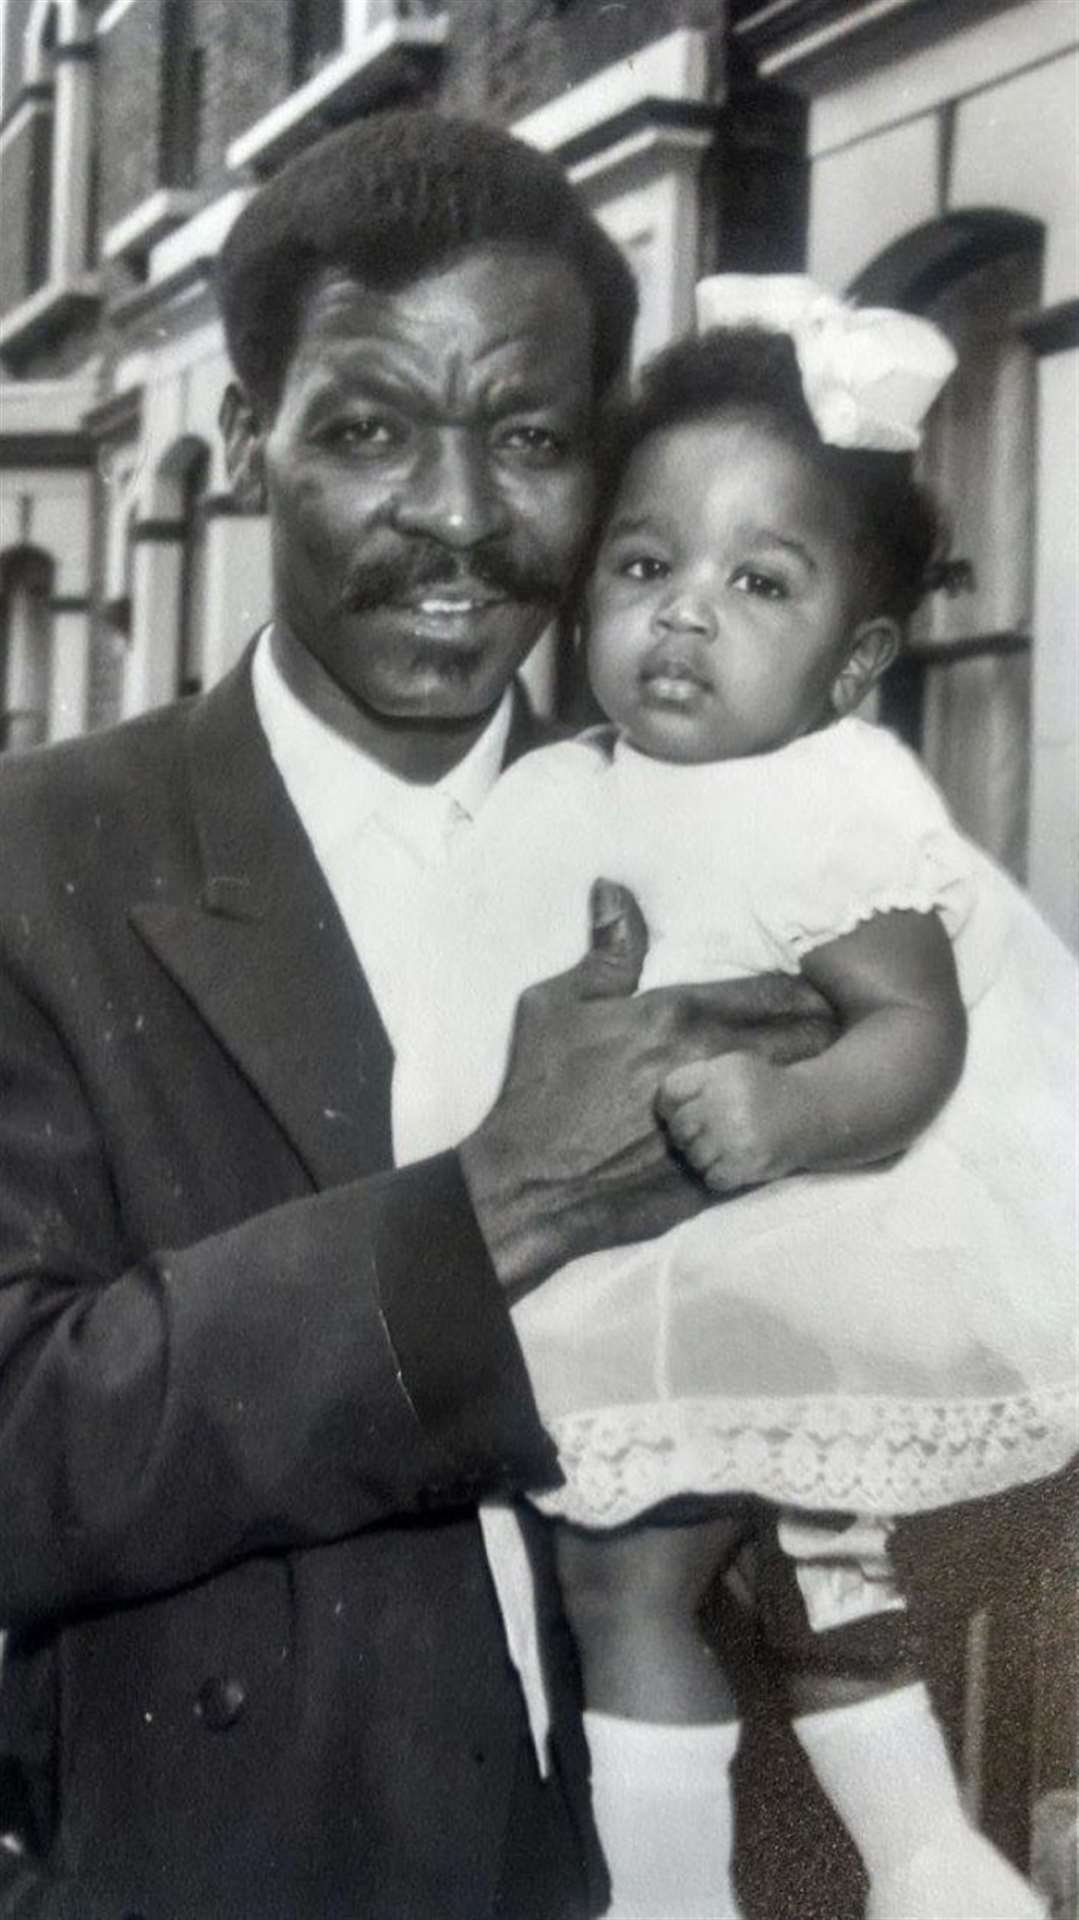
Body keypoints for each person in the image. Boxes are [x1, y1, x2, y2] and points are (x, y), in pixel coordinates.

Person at [0, 118, 837, 1919]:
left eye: (530, 440)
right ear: (244, 442)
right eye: (371, 431)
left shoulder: (721, 852)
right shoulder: (38, 860)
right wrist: (492, 1213)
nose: (459, 517)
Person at [392, 278, 1077, 1918]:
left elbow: (912, 1032)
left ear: (855, 668)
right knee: (634, 1572)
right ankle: (694, 1887)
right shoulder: (559, 797)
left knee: (817, 1560)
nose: (683, 614)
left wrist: (791, 1118)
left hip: (806, 1234)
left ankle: (921, 1860)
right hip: (608, 1263)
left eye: (755, 584)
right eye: (645, 568)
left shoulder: (835, 803)